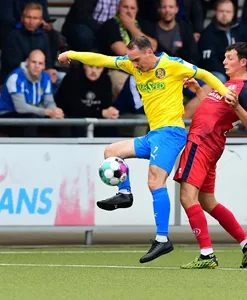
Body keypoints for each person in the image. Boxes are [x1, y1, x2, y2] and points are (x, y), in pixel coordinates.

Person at [58, 36, 235, 264]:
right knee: (111, 151)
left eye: (138, 60)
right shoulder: (132, 63)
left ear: (150, 53)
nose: (135, 65)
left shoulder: (172, 64)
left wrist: (224, 91)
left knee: (154, 182)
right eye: (132, 61)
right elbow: (102, 59)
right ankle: (125, 193)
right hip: (153, 134)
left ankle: (162, 239)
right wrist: (72, 54)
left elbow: (205, 74)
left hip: (171, 132)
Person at [174, 42, 247, 269]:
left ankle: (206, 254)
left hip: (201, 144)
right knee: (207, 201)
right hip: (209, 145)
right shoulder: (225, 85)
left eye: (229, 57)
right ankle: (246, 244)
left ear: (243, 61)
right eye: (224, 57)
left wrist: (237, 108)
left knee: (187, 197)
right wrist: (199, 91)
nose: (224, 61)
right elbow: (213, 111)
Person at [198, 0, 247, 103]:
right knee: (219, 79)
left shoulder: (241, 29)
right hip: (219, 73)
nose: (224, 15)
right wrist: (234, 75)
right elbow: (210, 63)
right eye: (221, 11)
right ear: (215, 12)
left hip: (238, 74)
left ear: (233, 13)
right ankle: (221, 115)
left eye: (228, 11)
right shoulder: (207, 34)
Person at [0, 49, 64, 137]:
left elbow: (49, 102)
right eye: (34, 62)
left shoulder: (45, 77)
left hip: (34, 114)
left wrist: (54, 112)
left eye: (40, 63)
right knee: (30, 120)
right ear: (27, 62)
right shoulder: (16, 77)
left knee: (62, 123)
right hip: (7, 115)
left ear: (44, 66)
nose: (37, 66)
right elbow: (21, 108)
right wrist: (47, 112)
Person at [54, 62, 119, 137]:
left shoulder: (106, 80)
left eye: (98, 68)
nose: (94, 71)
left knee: (111, 126)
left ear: (103, 69)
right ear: (84, 66)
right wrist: (101, 113)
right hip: (71, 118)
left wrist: (111, 112)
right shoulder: (72, 77)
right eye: (91, 66)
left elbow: (106, 105)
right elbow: (73, 108)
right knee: (77, 125)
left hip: (96, 117)